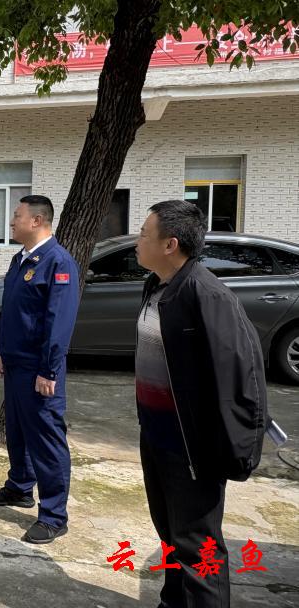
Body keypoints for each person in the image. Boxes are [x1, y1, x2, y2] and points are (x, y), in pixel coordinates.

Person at [134, 200, 267, 607]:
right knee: (170, 535)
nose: (137, 240)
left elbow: (240, 377)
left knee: (198, 548)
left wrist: (235, 449)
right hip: (157, 436)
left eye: (144, 234)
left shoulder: (206, 295)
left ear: (170, 244)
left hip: (192, 449)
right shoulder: (158, 285)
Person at [0, 195, 79, 544]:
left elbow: (58, 322)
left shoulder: (58, 261)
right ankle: (20, 486)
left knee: (46, 439)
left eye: (17, 215)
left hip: (39, 368)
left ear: (37, 221)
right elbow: (14, 312)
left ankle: (54, 515)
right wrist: (2, 352)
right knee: (19, 431)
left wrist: (49, 371)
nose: (11, 221)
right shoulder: (21, 258)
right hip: (15, 362)